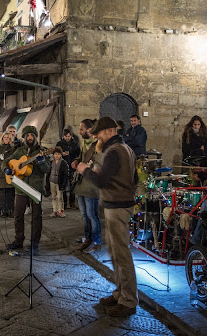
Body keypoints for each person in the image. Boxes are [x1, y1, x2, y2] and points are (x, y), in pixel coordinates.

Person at [76, 117, 138, 317]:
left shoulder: (114, 151)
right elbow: (132, 178)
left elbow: (101, 182)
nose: (96, 137)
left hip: (117, 207)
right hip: (120, 204)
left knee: (121, 255)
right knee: (115, 254)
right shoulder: (125, 149)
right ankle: (119, 293)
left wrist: (85, 170)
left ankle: (128, 301)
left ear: (110, 131)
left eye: (98, 134)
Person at [2, 125, 50, 253]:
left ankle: (34, 244)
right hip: (21, 188)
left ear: (35, 137)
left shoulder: (42, 151)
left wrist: (41, 162)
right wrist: (6, 169)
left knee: (36, 217)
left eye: (31, 136)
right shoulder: (20, 151)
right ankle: (18, 240)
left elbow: (47, 169)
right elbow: (5, 162)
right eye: (27, 135)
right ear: (23, 137)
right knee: (18, 215)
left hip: (36, 188)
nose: (29, 138)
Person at [72, 119, 103, 253]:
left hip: (91, 185)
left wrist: (86, 167)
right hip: (81, 184)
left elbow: (99, 165)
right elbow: (83, 157)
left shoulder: (98, 145)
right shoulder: (85, 143)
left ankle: (96, 241)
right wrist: (77, 161)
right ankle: (87, 238)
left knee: (92, 215)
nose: (79, 132)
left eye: (82, 129)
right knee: (84, 215)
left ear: (89, 130)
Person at [0, 133, 16, 218]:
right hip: (1, 174)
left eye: (7, 138)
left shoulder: (13, 148)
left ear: (10, 139)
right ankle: (2, 210)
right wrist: (2, 163)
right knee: (2, 193)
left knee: (10, 193)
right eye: (4, 137)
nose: (6, 139)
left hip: (10, 173)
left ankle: (11, 210)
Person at [56, 129, 80, 209]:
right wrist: (61, 154)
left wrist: (75, 161)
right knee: (63, 184)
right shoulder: (59, 144)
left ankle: (72, 202)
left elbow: (78, 153)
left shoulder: (75, 144)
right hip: (63, 166)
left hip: (72, 166)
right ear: (63, 136)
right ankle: (64, 203)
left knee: (72, 185)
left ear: (71, 136)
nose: (67, 138)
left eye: (69, 136)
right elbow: (55, 153)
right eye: (66, 136)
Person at [47, 146, 69, 218]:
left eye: (58, 154)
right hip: (52, 181)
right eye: (55, 154)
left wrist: (64, 184)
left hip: (59, 182)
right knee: (53, 197)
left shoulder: (63, 163)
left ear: (61, 155)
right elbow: (48, 172)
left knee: (60, 197)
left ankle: (61, 210)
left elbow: (66, 174)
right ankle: (55, 210)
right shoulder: (51, 162)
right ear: (53, 155)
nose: (57, 156)